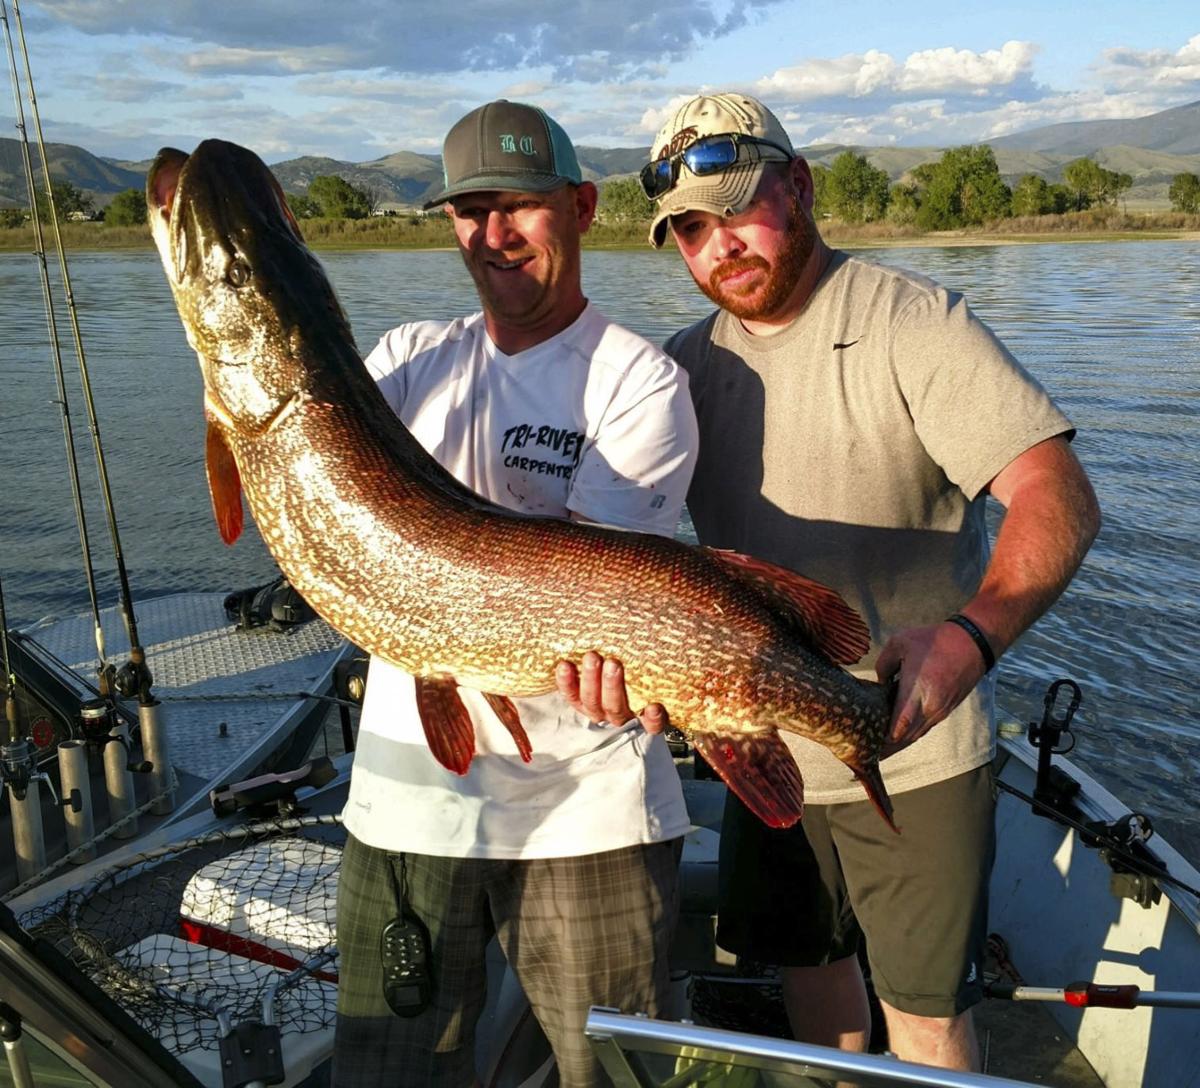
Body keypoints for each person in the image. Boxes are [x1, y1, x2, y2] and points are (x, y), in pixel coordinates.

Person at [557, 92, 1101, 1072]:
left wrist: (972, 636)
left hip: (916, 739)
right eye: (689, 229)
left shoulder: (914, 323)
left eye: (737, 209)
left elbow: (1056, 492)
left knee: (926, 1018)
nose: (718, 245)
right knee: (810, 979)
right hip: (754, 743)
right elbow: (612, 556)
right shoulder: (674, 373)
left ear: (798, 187)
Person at [333, 100, 699, 1088]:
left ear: (580, 205)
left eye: (522, 206)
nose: (495, 235)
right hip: (408, 811)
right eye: (471, 210)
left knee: (613, 1075)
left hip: (589, 815)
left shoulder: (637, 381)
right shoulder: (404, 361)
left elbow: (592, 597)